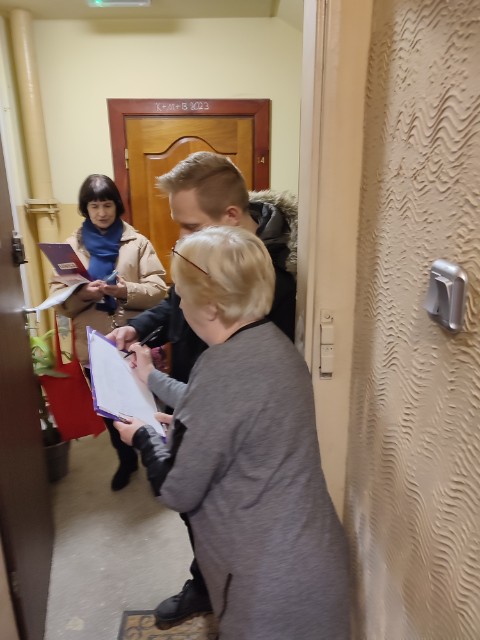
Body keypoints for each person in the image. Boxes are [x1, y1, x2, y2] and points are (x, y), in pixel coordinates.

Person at [114, 226, 350, 640]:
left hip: (267, 583)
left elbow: (176, 489)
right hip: (312, 557)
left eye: (181, 294)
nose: (178, 303)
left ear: (209, 306)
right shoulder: (270, 344)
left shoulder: (222, 369)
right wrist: (151, 377)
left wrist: (144, 437)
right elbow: (215, 404)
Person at [106, 151, 297, 627]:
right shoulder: (202, 257)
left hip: (230, 428)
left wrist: (144, 435)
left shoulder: (277, 283)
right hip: (193, 397)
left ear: (230, 218)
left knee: (207, 504)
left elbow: (177, 486)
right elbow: (173, 303)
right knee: (198, 516)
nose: (181, 238)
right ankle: (209, 582)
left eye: (190, 226)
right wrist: (138, 331)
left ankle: (223, 588)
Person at [49, 174, 168, 491]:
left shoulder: (138, 243)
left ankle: (156, 461)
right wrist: (83, 295)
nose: (101, 213)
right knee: (111, 411)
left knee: (147, 405)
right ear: (85, 208)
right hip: (94, 346)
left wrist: (124, 290)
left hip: (134, 342)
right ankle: (126, 461)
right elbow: (60, 303)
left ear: (117, 206)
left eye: (107, 205)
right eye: (94, 206)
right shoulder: (69, 249)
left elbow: (159, 290)